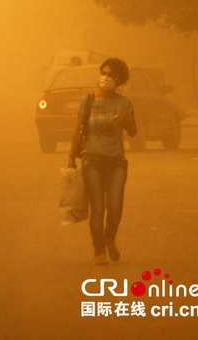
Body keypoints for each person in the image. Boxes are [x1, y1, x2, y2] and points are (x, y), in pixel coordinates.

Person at [68, 58, 137, 265]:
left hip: (116, 162)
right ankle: (99, 249)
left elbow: (134, 131)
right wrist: (71, 158)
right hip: (92, 161)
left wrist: (124, 122)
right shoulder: (88, 101)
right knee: (98, 208)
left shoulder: (124, 103)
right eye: (104, 73)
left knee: (115, 207)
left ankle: (110, 239)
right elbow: (78, 130)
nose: (105, 78)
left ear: (119, 80)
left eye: (111, 75)